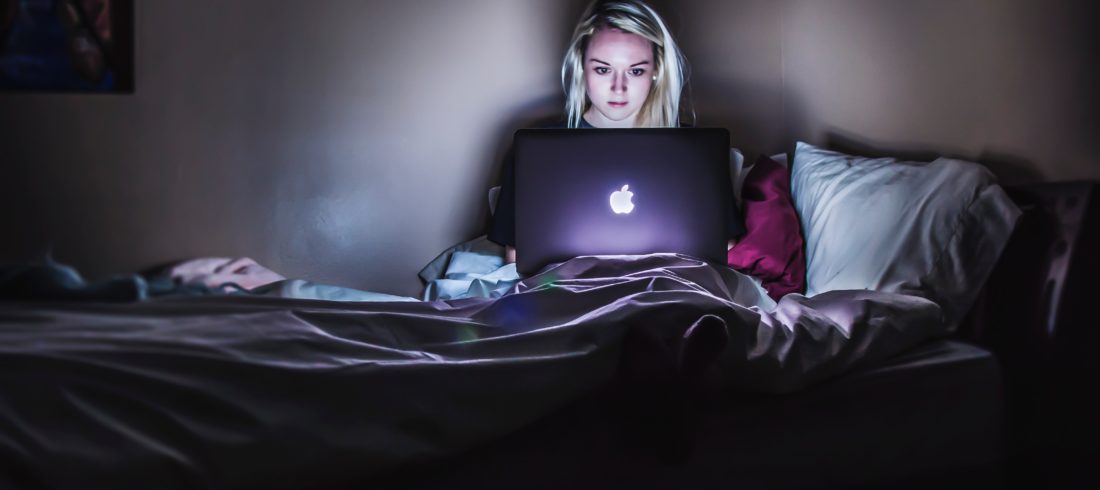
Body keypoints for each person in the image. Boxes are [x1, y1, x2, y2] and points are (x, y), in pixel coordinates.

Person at [488, 0, 745, 264]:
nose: (618, 87)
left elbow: (723, 245)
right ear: (581, 67)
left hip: (667, 287)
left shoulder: (694, 149)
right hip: (571, 292)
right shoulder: (536, 150)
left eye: (635, 71)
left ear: (655, 72)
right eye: (603, 69)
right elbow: (517, 255)